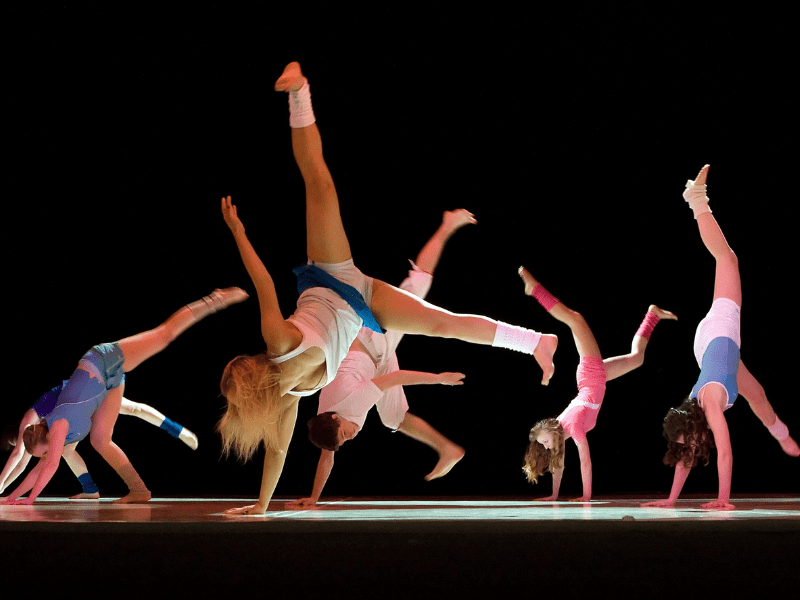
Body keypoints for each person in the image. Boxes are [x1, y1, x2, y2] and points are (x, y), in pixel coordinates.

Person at [218, 62, 558, 515]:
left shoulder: (278, 344)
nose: (236, 409)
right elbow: (278, 454)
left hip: (331, 276)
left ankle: (299, 91)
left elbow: (262, 281)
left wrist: (238, 232)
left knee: (320, 186)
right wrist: (260, 507)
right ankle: (537, 341)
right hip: (364, 306)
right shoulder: (291, 399)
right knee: (442, 325)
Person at [286, 208, 474, 508]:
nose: (350, 437)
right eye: (346, 439)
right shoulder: (328, 420)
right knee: (392, 418)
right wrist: (314, 498)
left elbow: (396, 378)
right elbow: (327, 458)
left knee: (416, 288)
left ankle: (447, 225)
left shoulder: (351, 404)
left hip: (374, 341)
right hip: (374, 361)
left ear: (335, 417)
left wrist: (438, 379)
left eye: (345, 434)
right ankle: (447, 449)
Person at [643, 165, 799, 510]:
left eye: (692, 440)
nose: (694, 446)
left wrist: (723, 500)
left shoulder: (710, 404)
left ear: (696, 422)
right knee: (756, 396)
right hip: (711, 353)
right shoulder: (692, 413)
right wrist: (669, 500)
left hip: (718, 333)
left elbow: (726, 451)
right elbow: (685, 457)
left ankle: (696, 200)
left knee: (728, 259)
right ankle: (781, 434)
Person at [1, 288, 247, 505]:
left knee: (163, 336)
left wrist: (30, 499)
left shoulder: (55, 426)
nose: (43, 457)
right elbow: (41, 467)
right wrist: (12, 498)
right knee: (100, 441)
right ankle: (139, 490)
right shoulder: (54, 435)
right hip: (101, 386)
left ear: (43, 440)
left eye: (41, 452)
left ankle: (215, 299)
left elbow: (47, 465)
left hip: (101, 361)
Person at [520, 266, 676, 501]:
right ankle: (652, 315)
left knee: (574, 319)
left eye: (544, 442)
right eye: (544, 445)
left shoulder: (571, 426)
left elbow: (586, 462)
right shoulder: (563, 436)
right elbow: (559, 465)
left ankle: (535, 290)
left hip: (591, 375)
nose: (548, 446)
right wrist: (553, 495)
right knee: (637, 359)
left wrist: (586, 497)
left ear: (551, 431)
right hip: (596, 379)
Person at [1, 393, 198, 500]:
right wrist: (9, 494)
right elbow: (27, 462)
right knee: (67, 450)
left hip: (85, 398)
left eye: (15, 443)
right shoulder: (36, 433)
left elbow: (19, 457)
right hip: (76, 415)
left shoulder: (30, 422)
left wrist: (3, 488)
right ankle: (90, 489)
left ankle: (176, 429)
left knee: (132, 409)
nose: (18, 446)